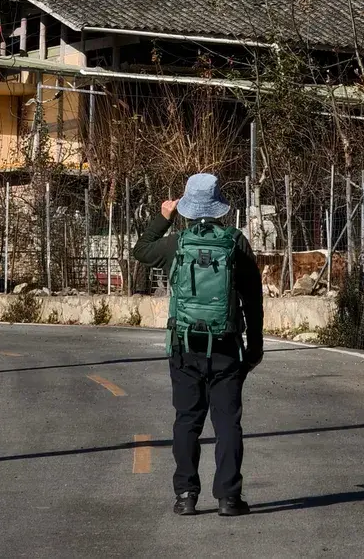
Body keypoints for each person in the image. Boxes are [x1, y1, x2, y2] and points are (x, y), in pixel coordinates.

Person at [133, 172, 263, 517]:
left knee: (187, 420)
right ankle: (229, 498)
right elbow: (253, 299)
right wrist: (255, 346)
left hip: (185, 345)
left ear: (188, 207)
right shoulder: (236, 242)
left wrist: (164, 216)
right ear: (220, 207)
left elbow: (140, 250)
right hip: (227, 346)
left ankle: (186, 496)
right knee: (227, 423)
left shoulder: (178, 242)